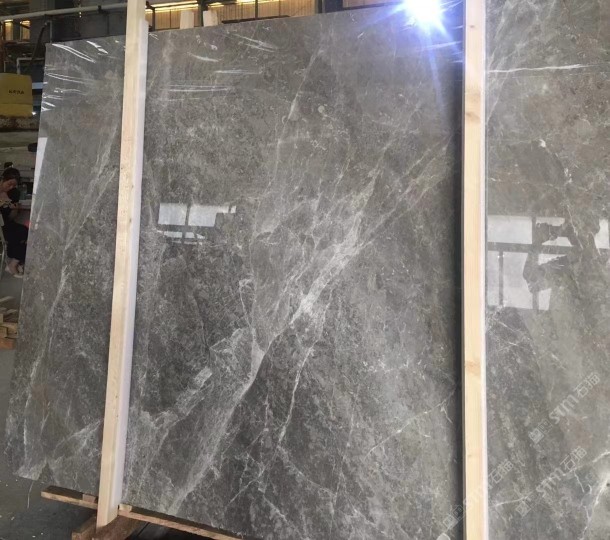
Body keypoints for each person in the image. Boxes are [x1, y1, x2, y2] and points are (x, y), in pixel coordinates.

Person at [0, 168, 28, 277]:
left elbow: (11, 217)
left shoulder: (12, 194)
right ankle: (13, 263)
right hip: (1, 226)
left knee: (24, 231)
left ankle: (13, 261)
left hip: (5, 223)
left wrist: (14, 208)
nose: (11, 187)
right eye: (9, 184)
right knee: (21, 233)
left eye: (13, 185)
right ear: (3, 179)